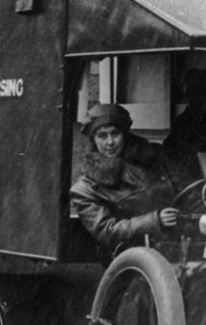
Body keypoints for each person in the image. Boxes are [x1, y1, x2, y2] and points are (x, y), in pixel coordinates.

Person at [70, 103, 179, 256]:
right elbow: (107, 233)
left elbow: (186, 188)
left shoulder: (154, 157)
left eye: (115, 134)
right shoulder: (84, 189)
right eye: (102, 136)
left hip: (180, 242)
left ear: (125, 135)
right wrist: (154, 221)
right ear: (93, 139)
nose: (110, 142)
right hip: (132, 257)